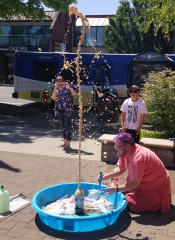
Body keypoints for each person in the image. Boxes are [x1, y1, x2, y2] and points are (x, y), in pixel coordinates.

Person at [100, 133, 171, 213]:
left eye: (118, 146)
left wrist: (116, 189)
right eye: (115, 146)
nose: (116, 148)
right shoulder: (125, 152)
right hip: (139, 180)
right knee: (119, 194)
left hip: (154, 184)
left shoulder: (137, 159)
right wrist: (107, 176)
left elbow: (134, 184)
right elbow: (121, 168)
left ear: (127, 146)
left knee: (131, 204)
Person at [51, 76, 78, 151]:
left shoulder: (67, 88)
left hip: (67, 110)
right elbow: (53, 98)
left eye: (61, 81)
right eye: (58, 81)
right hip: (59, 110)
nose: (60, 83)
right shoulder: (56, 90)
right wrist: (55, 88)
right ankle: (65, 143)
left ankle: (68, 145)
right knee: (62, 126)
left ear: (63, 81)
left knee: (67, 127)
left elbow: (75, 94)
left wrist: (68, 86)